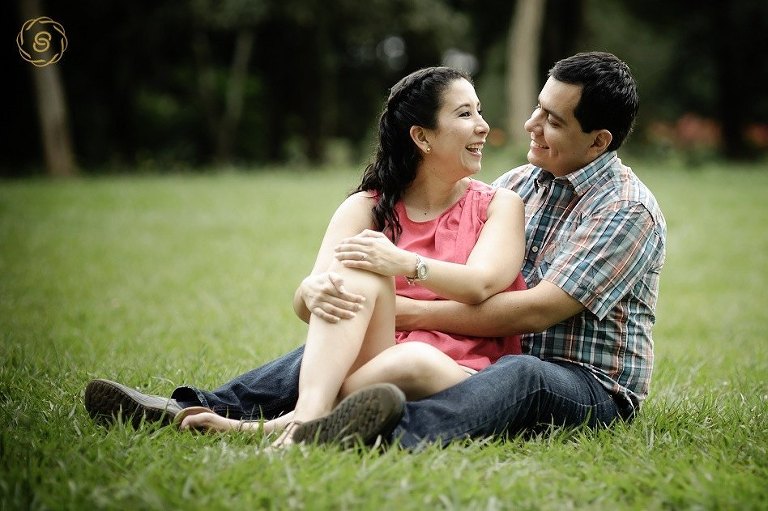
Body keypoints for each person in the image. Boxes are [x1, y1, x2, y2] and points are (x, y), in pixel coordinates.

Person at [86, 51, 666, 449]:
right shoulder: (520, 183)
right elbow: (331, 294)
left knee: (520, 373)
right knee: (340, 327)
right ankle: (194, 406)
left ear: (598, 141)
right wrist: (350, 302)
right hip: (472, 351)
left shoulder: (625, 210)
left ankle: (372, 434)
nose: (529, 123)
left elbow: (534, 308)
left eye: (553, 119)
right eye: (538, 106)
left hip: (586, 382)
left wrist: (403, 305)